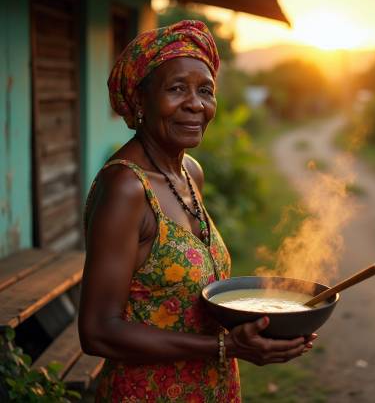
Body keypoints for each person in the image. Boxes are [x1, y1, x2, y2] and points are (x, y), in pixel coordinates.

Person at [79, 20, 316, 402]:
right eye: (176, 89)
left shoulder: (190, 173)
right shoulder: (126, 188)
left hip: (212, 387)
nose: (195, 104)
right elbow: (97, 331)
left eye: (205, 91)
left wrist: (263, 323)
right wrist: (226, 348)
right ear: (140, 101)